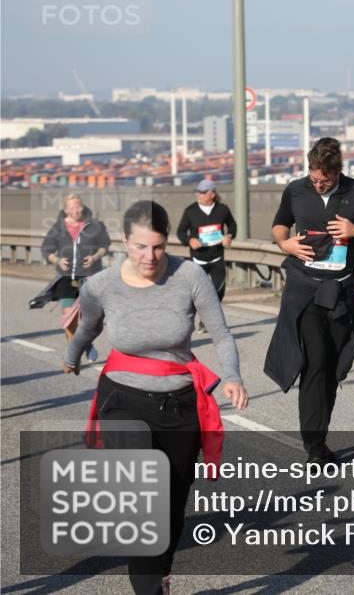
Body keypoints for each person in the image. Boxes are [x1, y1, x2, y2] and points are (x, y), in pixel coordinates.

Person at [62, 200, 249, 595]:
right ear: (125, 242)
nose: (150, 256)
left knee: (172, 504)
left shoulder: (191, 276)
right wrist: (71, 355)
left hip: (179, 404)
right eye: (141, 247)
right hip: (123, 401)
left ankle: (159, 572)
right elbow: (87, 328)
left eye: (159, 247)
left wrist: (232, 376)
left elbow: (221, 333)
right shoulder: (102, 284)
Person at [264, 137, 354, 464]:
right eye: (314, 177)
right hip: (305, 291)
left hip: (341, 292)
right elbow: (278, 225)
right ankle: (314, 447)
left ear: (337, 172)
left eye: (324, 180)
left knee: (332, 365)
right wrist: (284, 244)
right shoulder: (296, 190)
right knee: (315, 362)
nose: (318, 184)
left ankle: (320, 438)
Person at [40, 194, 111, 360]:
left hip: (90, 277)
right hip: (66, 277)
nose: (76, 210)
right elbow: (46, 250)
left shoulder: (95, 225)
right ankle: (74, 354)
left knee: (87, 319)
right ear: (66, 210)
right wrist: (57, 260)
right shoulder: (58, 228)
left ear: (83, 207)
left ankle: (85, 343)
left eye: (78, 207)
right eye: (72, 208)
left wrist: (94, 257)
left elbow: (104, 246)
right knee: (69, 316)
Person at [175, 179, 237, 332]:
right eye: (197, 192)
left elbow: (233, 225)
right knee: (197, 294)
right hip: (198, 260)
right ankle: (188, 322)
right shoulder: (190, 211)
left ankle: (205, 319)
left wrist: (229, 236)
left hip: (217, 257)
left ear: (212, 194)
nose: (198, 194)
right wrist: (190, 240)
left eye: (202, 192)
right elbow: (180, 231)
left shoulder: (222, 209)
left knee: (219, 291)